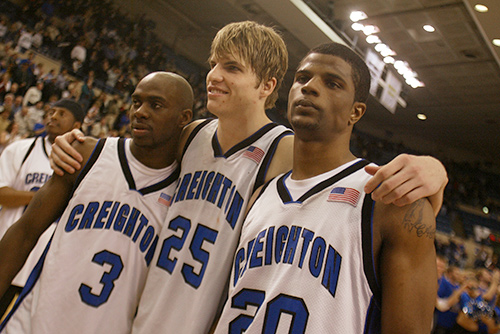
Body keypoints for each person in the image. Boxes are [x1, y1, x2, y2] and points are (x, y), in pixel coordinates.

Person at [50, 22, 448, 334]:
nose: (310, 88)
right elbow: (135, 152)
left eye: (232, 67)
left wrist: (436, 172)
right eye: (304, 78)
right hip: (144, 312)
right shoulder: (194, 139)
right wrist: (76, 142)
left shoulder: (288, 152)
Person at [212, 42, 438, 333]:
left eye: (332, 83)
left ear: (355, 112)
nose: (310, 87)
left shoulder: (389, 201)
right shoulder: (260, 194)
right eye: (302, 78)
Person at [0, 72, 193, 333]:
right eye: (137, 102)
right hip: (33, 323)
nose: (140, 112)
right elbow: (25, 231)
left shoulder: (185, 193)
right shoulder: (86, 154)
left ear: (184, 118)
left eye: (155, 105)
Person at [0, 98, 84, 318]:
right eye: (51, 111)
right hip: (7, 257)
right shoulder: (21, 149)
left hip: (43, 270)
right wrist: (43, 199)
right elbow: (2, 194)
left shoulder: (83, 165)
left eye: (62, 113)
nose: (53, 116)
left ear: (77, 126)